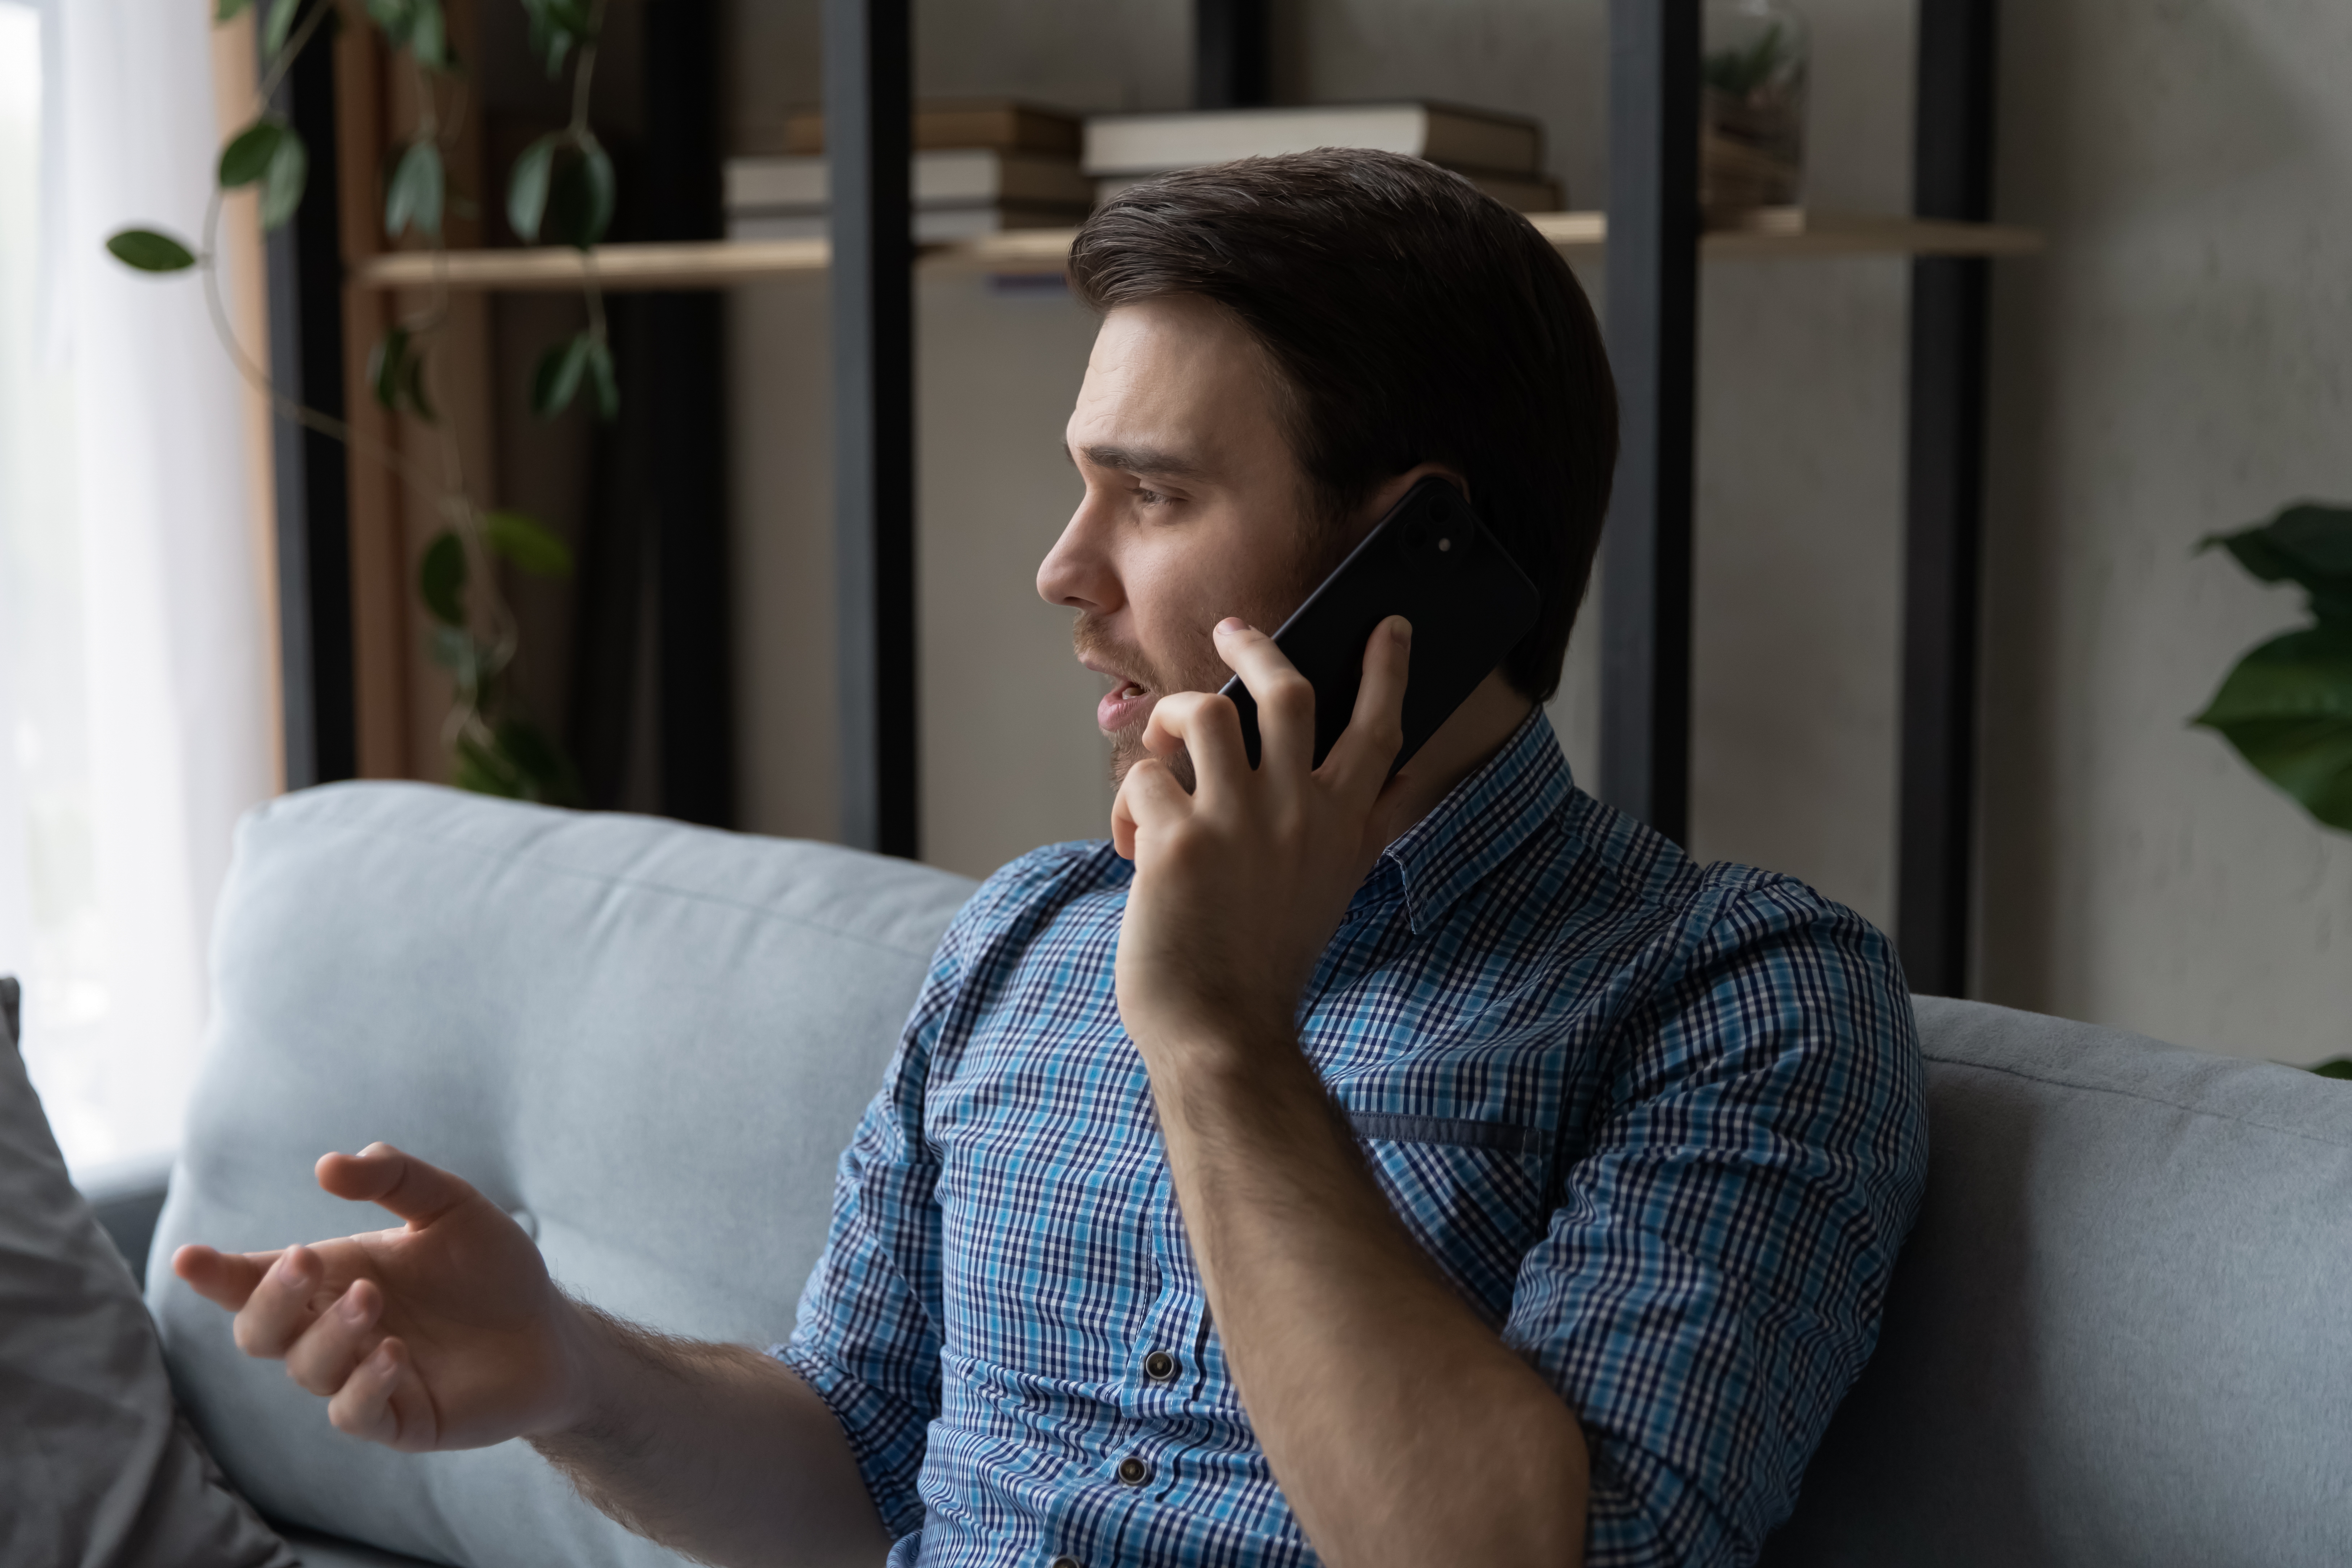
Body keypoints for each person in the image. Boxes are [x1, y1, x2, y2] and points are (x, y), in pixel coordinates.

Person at [172, 150, 1926, 1568]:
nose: (1061, 568)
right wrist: (567, 1368)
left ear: (1417, 565)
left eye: (1148, 495)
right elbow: (853, 1471)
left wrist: (1221, 1038)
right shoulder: (1025, 936)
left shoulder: (1734, 998)